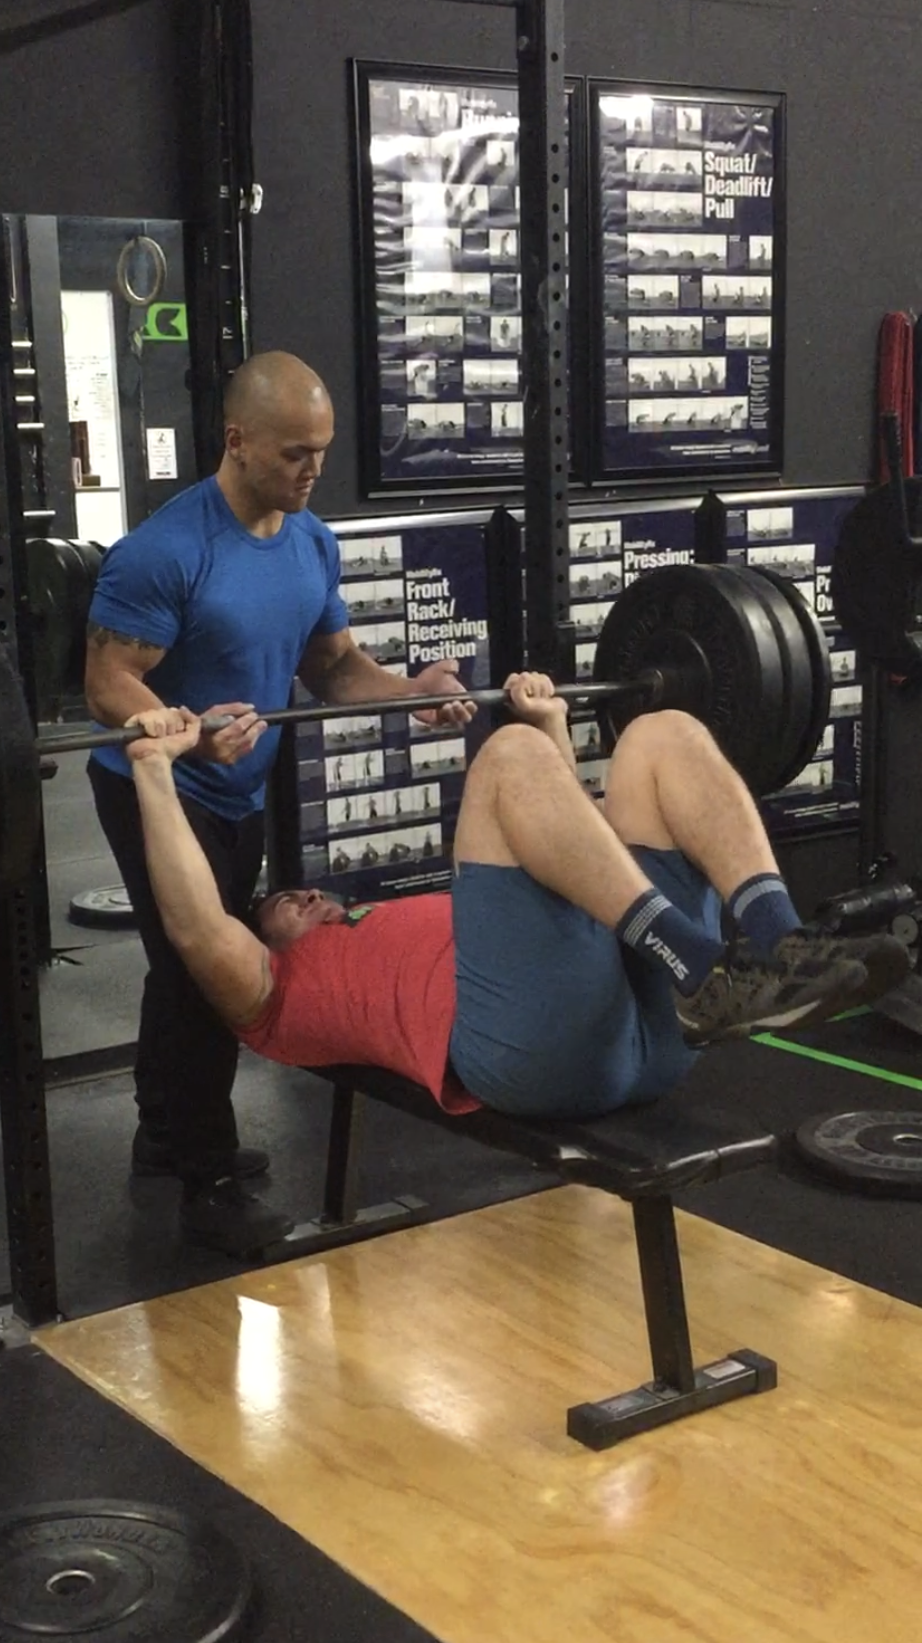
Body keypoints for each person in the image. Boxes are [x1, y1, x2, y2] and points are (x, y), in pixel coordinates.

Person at [118, 679, 908, 1172]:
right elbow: (194, 926)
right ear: (264, 940)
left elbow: (576, 855)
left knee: (661, 732)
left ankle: (779, 941)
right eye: (283, 904)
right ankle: (701, 967)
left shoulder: (393, 916)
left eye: (306, 891)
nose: (305, 896)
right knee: (506, 755)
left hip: (649, 1020)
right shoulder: (273, 995)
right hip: (532, 1055)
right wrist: (154, 770)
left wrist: (554, 724)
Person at [84, 351, 471, 1257]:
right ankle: (208, 1180)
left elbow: (333, 667)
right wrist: (180, 734)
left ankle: (161, 1131)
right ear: (238, 441)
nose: (312, 469)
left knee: (181, 963)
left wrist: (411, 691)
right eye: (296, 452)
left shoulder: (310, 542)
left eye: (321, 452)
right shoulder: (165, 550)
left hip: (237, 785)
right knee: (202, 972)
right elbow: (107, 681)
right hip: (156, 789)